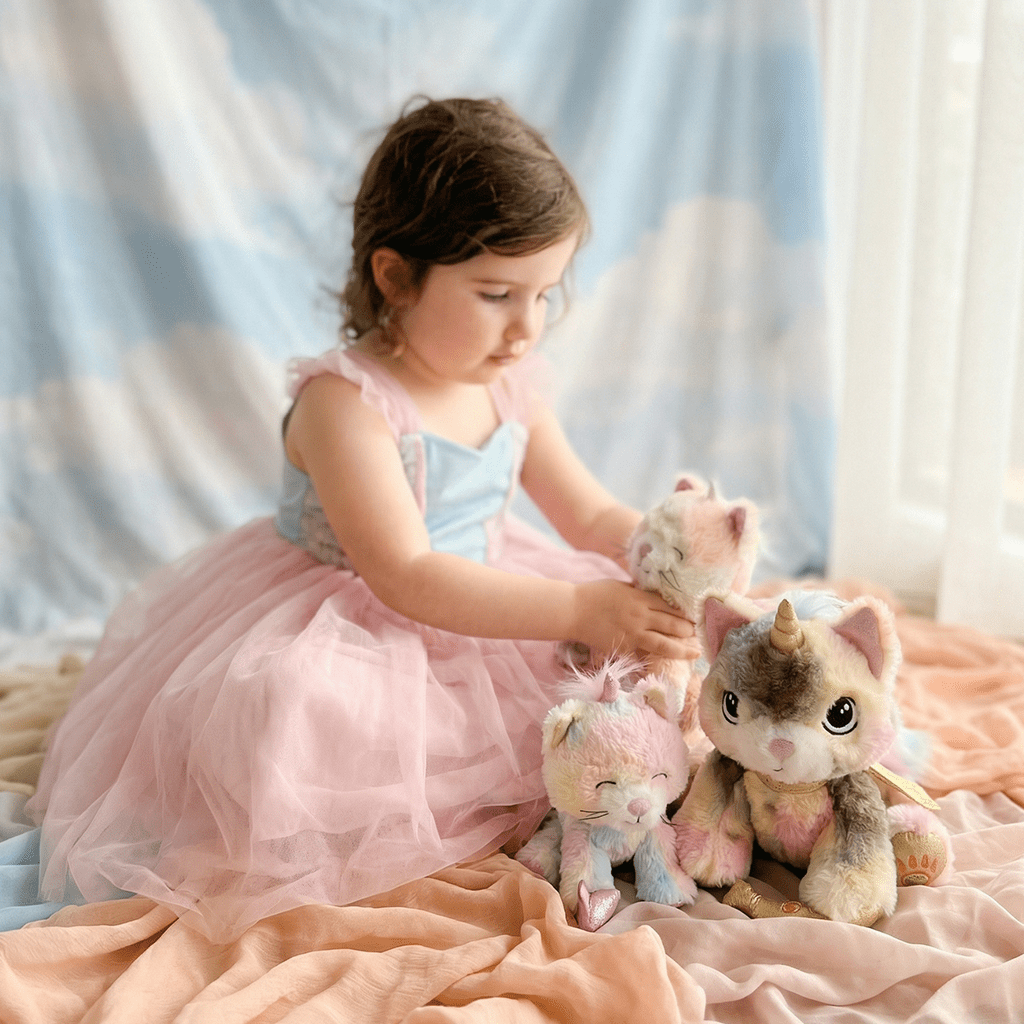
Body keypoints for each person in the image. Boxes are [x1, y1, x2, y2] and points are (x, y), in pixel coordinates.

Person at [26, 96, 696, 941]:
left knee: (622, 668)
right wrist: (578, 608)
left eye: (544, 294)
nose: (527, 328)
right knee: (296, 709)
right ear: (395, 277)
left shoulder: (509, 385)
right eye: (497, 294)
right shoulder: (345, 404)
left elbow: (586, 509)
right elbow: (407, 575)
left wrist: (664, 549)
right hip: (359, 608)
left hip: (491, 587)